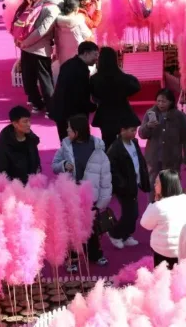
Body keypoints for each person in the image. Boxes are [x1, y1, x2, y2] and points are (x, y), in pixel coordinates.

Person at [52, 114, 112, 267]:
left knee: (91, 227)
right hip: (72, 195)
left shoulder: (97, 148)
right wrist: (64, 165)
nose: (67, 131)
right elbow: (55, 165)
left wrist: (103, 199)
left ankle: (95, 254)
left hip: (91, 196)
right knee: (72, 226)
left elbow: (105, 176)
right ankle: (72, 257)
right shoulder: (66, 146)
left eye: (69, 129)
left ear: (77, 131)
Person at [18, 0, 73, 114]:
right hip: (39, 50)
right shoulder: (54, 10)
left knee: (29, 79)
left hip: (27, 48)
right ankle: (51, 109)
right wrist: (26, 43)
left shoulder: (41, 3)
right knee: (45, 81)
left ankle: (37, 104)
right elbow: (41, 31)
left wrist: (24, 43)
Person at [139, 88, 186, 198]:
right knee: (153, 186)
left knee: (172, 188)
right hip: (154, 159)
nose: (160, 104)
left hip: (172, 159)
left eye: (164, 101)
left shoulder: (179, 116)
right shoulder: (150, 113)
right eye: (158, 101)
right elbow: (142, 134)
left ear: (171, 102)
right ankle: (153, 206)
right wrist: (148, 126)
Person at [106, 116, 150, 249]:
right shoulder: (115, 148)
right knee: (130, 213)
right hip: (124, 187)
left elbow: (140, 160)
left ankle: (125, 235)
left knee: (133, 213)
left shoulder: (134, 143)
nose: (134, 133)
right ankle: (115, 234)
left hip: (134, 183)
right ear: (122, 130)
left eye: (135, 130)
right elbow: (112, 169)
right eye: (132, 130)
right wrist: (122, 184)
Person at [140, 169, 186, 268]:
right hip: (185, 248)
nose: (154, 184)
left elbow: (145, 224)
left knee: (163, 276)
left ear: (165, 185)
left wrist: (153, 203)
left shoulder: (158, 206)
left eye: (157, 182)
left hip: (164, 251)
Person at [90, 47, 141, 150]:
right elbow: (136, 86)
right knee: (126, 145)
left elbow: (94, 96)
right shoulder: (123, 78)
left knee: (108, 144)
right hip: (123, 113)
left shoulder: (94, 79)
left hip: (105, 114)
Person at [49, 41, 99, 141]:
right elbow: (80, 94)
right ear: (86, 53)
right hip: (72, 114)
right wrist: (92, 106)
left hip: (60, 110)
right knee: (77, 143)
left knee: (65, 142)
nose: (97, 58)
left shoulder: (68, 64)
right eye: (95, 55)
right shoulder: (81, 70)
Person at [0, 105, 41, 185]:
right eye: (25, 122)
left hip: (31, 185)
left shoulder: (32, 139)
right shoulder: (5, 143)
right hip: (11, 186)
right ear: (15, 124)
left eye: (29, 121)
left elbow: (37, 165)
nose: (29, 124)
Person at [55, 0, 94, 65]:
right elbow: (89, 36)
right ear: (76, 9)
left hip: (63, 58)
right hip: (77, 58)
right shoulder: (79, 21)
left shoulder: (58, 22)